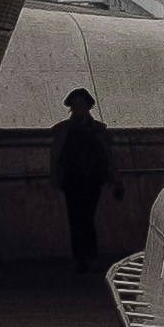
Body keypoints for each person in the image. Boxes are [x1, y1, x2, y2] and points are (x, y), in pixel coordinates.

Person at [50, 84, 114, 280]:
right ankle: (85, 254)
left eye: (81, 104)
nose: (79, 108)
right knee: (82, 216)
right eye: (77, 104)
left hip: (85, 180)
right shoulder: (95, 129)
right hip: (79, 179)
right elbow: (108, 154)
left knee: (81, 216)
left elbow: (55, 156)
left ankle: (83, 256)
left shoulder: (67, 130)